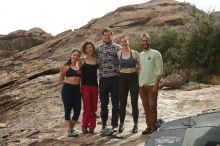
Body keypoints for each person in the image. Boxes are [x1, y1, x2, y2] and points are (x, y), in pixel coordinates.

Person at [95, 28, 121, 132]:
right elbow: (93, 61)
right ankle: (104, 124)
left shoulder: (118, 48)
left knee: (116, 104)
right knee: (104, 103)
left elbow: (122, 62)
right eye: (105, 35)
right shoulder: (98, 49)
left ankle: (114, 125)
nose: (107, 37)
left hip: (115, 79)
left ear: (112, 36)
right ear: (102, 36)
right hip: (103, 79)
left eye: (109, 35)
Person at [139, 33, 164, 135]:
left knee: (152, 106)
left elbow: (159, 69)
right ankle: (148, 126)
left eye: (146, 40)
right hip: (142, 86)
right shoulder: (139, 55)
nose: (145, 42)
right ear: (141, 42)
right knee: (145, 107)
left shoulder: (156, 53)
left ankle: (153, 126)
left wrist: (156, 84)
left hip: (152, 85)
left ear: (150, 41)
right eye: (143, 41)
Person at [117, 35, 140, 133]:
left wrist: (136, 75)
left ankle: (135, 124)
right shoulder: (118, 53)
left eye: (125, 41)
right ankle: (121, 124)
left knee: (134, 102)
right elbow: (118, 66)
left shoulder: (135, 53)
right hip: (122, 79)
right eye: (122, 42)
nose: (124, 43)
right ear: (120, 43)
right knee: (122, 103)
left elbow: (140, 67)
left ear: (128, 42)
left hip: (133, 78)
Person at [58, 49, 82, 137]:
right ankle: (70, 131)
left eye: (77, 55)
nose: (75, 57)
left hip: (77, 90)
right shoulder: (66, 66)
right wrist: (61, 72)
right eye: (74, 55)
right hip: (67, 89)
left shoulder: (79, 66)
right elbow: (60, 80)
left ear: (79, 57)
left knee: (78, 110)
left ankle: (70, 129)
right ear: (71, 55)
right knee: (68, 110)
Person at [80, 41, 98, 134]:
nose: (89, 49)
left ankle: (92, 126)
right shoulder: (82, 60)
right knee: (87, 107)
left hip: (95, 86)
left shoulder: (97, 60)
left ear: (93, 48)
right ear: (85, 50)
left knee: (94, 107)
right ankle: (84, 126)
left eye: (90, 47)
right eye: (87, 48)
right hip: (85, 86)